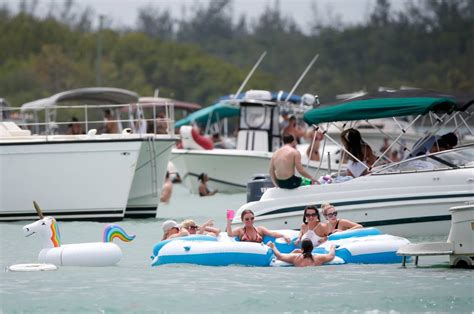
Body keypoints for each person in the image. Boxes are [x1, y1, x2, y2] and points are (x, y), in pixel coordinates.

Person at [226, 209, 291, 244]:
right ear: (242, 220)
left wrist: (284, 236)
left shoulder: (260, 229)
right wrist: (229, 220)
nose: (250, 220)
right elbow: (230, 233)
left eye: (252, 218)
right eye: (247, 219)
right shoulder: (240, 230)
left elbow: (272, 234)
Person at [267, 239, 336, 267]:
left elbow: (280, 256)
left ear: (302, 249)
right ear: (312, 248)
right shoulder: (319, 258)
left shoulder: (296, 258)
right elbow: (331, 256)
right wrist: (333, 247)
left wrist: (273, 246)